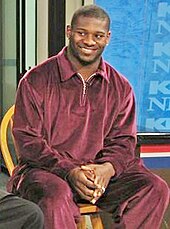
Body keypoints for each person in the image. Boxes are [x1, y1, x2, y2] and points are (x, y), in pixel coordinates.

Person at [7, 4, 169, 229]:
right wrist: (69, 171)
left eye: (98, 35)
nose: (89, 41)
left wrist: (107, 168)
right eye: (82, 33)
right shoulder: (36, 80)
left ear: (108, 38)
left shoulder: (121, 87)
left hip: (98, 175)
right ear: (69, 31)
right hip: (46, 172)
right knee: (55, 196)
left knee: (154, 188)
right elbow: (29, 143)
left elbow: (123, 142)